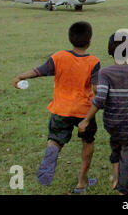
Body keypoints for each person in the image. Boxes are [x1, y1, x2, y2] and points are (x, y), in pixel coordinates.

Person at [13, 22, 101, 192]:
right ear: (89, 41)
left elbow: (38, 71)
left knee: (55, 139)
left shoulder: (59, 57)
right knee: (88, 142)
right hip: (84, 111)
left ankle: (52, 149)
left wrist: (20, 76)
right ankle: (82, 181)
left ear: (70, 39)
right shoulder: (93, 62)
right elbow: (97, 89)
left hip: (61, 109)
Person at [79, 32, 128, 195]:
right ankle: (123, 190)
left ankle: (116, 178)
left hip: (112, 124)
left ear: (110, 50)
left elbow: (100, 98)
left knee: (116, 145)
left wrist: (86, 120)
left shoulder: (105, 73)